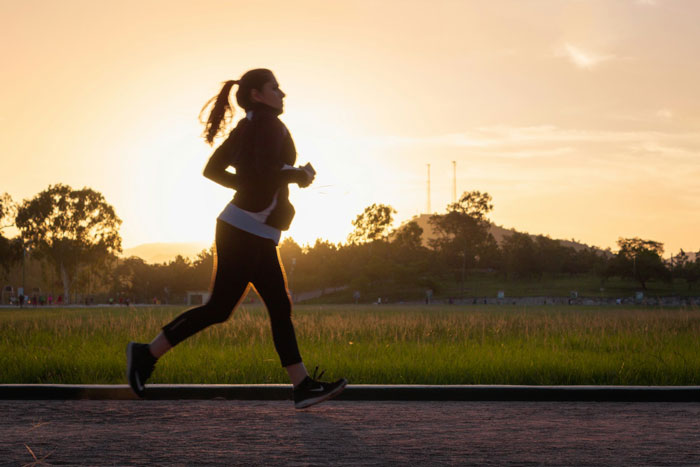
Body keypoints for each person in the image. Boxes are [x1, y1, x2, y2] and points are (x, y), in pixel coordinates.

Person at [126, 69, 347, 409]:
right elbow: (262, 172)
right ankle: (145, 354)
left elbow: (214, 170)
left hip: (249, 229)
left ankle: (301, 385)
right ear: (258, 94)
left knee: (271, 306)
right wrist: (298, 174)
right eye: (275, 87)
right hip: (244, 230)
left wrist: (253, 187)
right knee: (227, 308)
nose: (282, 93)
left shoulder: (249, 127)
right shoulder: (267, 126)